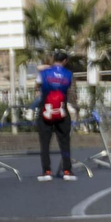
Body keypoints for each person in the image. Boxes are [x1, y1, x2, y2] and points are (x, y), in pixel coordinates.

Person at [35, 49, 77, 181]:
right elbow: (71, 92)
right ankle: (67, 171)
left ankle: (46, 171)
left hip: (45, 110)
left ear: (54, 59)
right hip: (62, 110)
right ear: (65, 61)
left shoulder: (43, 73)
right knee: (64, 141)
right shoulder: (68, 74)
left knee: (45, 143)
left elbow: (37, 88)